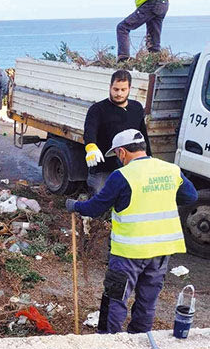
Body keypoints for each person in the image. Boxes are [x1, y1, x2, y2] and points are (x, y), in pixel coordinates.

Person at [66, 129, 198, 334]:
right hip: (161, 252)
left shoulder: (122, 176)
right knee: (147, 301)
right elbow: (190, 196)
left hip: (128, 253)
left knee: (115, 299)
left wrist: (75, 206)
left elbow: (95, 208)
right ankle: (139, 340)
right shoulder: (171, 169)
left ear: (121, 153)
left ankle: (109, 343)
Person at [84, 69, 151, 194]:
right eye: (116, 89)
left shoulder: (136, 108)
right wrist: (91, 146)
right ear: (110, 87)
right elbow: (90, 131)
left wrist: (148, 157)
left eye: (123, 90)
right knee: (100, 197)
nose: (119, 93)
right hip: (103, 166)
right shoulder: (97, 109)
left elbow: (143, 135)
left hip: (130, 165)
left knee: (127, 197)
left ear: (129, 89)